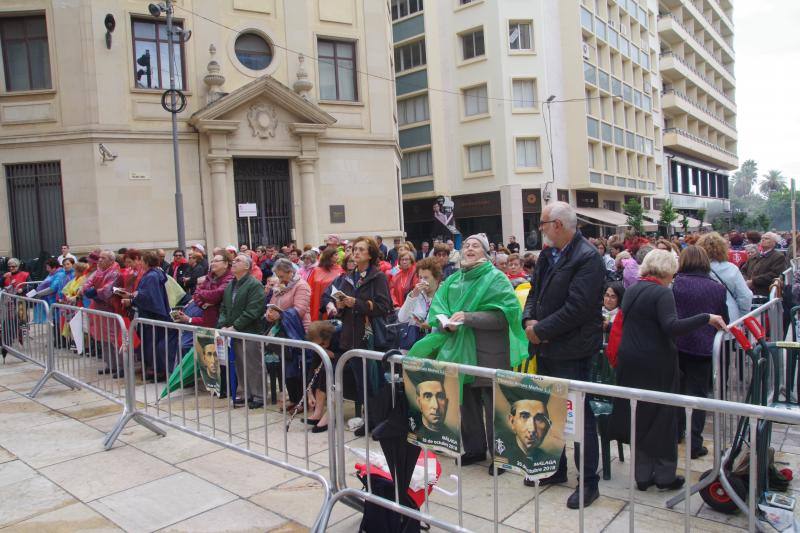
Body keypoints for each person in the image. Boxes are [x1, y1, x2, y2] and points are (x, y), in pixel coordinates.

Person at [408, 233, 527, 474]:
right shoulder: (453, 280)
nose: (470, 249)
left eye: (476, 246)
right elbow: (438, 310)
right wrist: (445, 323)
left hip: (488, 353)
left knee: (495, 407)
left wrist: (468, 318)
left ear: (485, 252)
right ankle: (474, 448)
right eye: (467, 246)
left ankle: (501, 456)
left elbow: (506, 316)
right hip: (458, 352)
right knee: (467, 404)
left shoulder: (497, 279)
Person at [609, 249, 726, 491]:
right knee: (663, 419)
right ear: (666, 269)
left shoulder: (632, 290)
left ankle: (642, 475)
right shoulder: (662, 293)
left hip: (630, 360)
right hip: (656, 362)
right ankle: (664, 475)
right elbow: (672, 327)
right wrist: (706, 318)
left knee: (639, 417)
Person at [522, 201, 605, 508]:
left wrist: (540, 329)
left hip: (573, 350)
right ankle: (554, 469)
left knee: (580, 417)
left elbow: (578, 308)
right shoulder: (547, 254)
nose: (539, 229)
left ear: (557, 225)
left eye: (542, 224)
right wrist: (529, 320)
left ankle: (589, 482)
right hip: (547, 347)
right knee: (551, 411)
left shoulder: (588, 258)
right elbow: (534, 291)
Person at [327, 237, 391, 429]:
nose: (356, 253)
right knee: (361, 383)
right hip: (350, 336)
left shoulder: (377, 277)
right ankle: (368, 419)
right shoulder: (348, 276)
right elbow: (344, 307)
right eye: (354, 249)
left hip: (368, 337)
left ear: (370, 254)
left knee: (374, 382)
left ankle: (378, 420)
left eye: (361, 250)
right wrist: (340, 305)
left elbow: (384, 306)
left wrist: (357, 303)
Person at [672, 245, 728, 459]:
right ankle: (695, 443)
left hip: (677, 345)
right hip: (704, 349)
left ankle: (676, 434)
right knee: (698, 398)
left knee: (675, 392)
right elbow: (724, 319)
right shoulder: (717, 288)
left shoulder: (676, 284)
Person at [218, 254, 267, 408]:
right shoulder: (231, 285)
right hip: (234, 331)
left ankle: (259, 395)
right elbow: (224, 308)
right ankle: (245, 393)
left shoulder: (254, 285)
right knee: (240, 363)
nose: (233, 262)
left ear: (247, 267)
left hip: (250, 331)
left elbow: (254, 309)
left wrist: (236, 326)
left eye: (238, 261)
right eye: (234, 260)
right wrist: (223, 324)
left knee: (253, 364)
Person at [123, 251, 175, 380]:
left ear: (146, 262)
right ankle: (155, 368)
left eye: (142, 261)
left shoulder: (151, 276)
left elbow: (148, 296)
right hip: (154, 314)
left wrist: (133, 298)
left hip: (153, 315)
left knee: (153, 343)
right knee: (153, 343)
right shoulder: (155, 274)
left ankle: (158, 370)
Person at [81, 250, 122, 376]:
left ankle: (121, 366)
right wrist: (90, 290)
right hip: (99, 308)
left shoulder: (115, 272)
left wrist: (95, 291)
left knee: (114, 338)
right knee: (103, 339)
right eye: (99, 258)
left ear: (111, 260)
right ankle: (110, 365)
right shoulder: (98, 271)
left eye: (103, 258)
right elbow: (86, 285)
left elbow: (109, 289)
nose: (99, 260)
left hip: (111, 309)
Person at [697, 232, 753, 323]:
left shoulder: (694, 268)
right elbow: (745, 296)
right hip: (729, 318)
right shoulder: (731, 268)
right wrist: (742, 315)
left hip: (701, 320)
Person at [495, 385, 553, 471]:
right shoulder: (505, 452)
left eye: (539, 419)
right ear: (512, 421)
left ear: (549, 424)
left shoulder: (551, 458)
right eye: (524, 416)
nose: (532, 429)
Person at [173, 254, 234, 329]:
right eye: (212, 261)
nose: (212, 263)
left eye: (216, 261)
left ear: (225, 264)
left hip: (216, 322)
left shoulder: (230, 278)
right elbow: (196, 293)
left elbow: (216, 294)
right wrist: (202, 304)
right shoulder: (210, 276)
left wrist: (201, 293)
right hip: (204, 318)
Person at [397, 257, 442, 348]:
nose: (422, 281)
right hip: (415, 345)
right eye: (420, 277)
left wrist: (431, 326)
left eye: (426, 277)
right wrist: (413, 297)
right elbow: (402, 318)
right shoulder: (415, 294)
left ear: (437, 278)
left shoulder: (443, 295)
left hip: (435, 347)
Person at [409, 368, 458, 443]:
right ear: (419, 402)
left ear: (446, 403)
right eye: (428, 396)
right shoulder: (413, 429)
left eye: (440, 396)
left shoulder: (454, 437)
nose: (436, 406)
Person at [741, 231, 788, 298]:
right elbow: (743, 270)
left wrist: (753, 281)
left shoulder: (778, 256)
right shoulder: (754, 256)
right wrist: (745, 281)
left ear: (774, 243)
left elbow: (774, 274)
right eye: (762, 238)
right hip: (747, 290)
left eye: (767, 238)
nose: (763, 240)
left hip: (764, 292)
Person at [308, 247, 344, 321]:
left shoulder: (341, 270)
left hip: (334, 304)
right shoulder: (316, 270)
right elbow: (309, 288)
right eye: (336, 254)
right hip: (318, 303)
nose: (338, 256)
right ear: (329, 256)